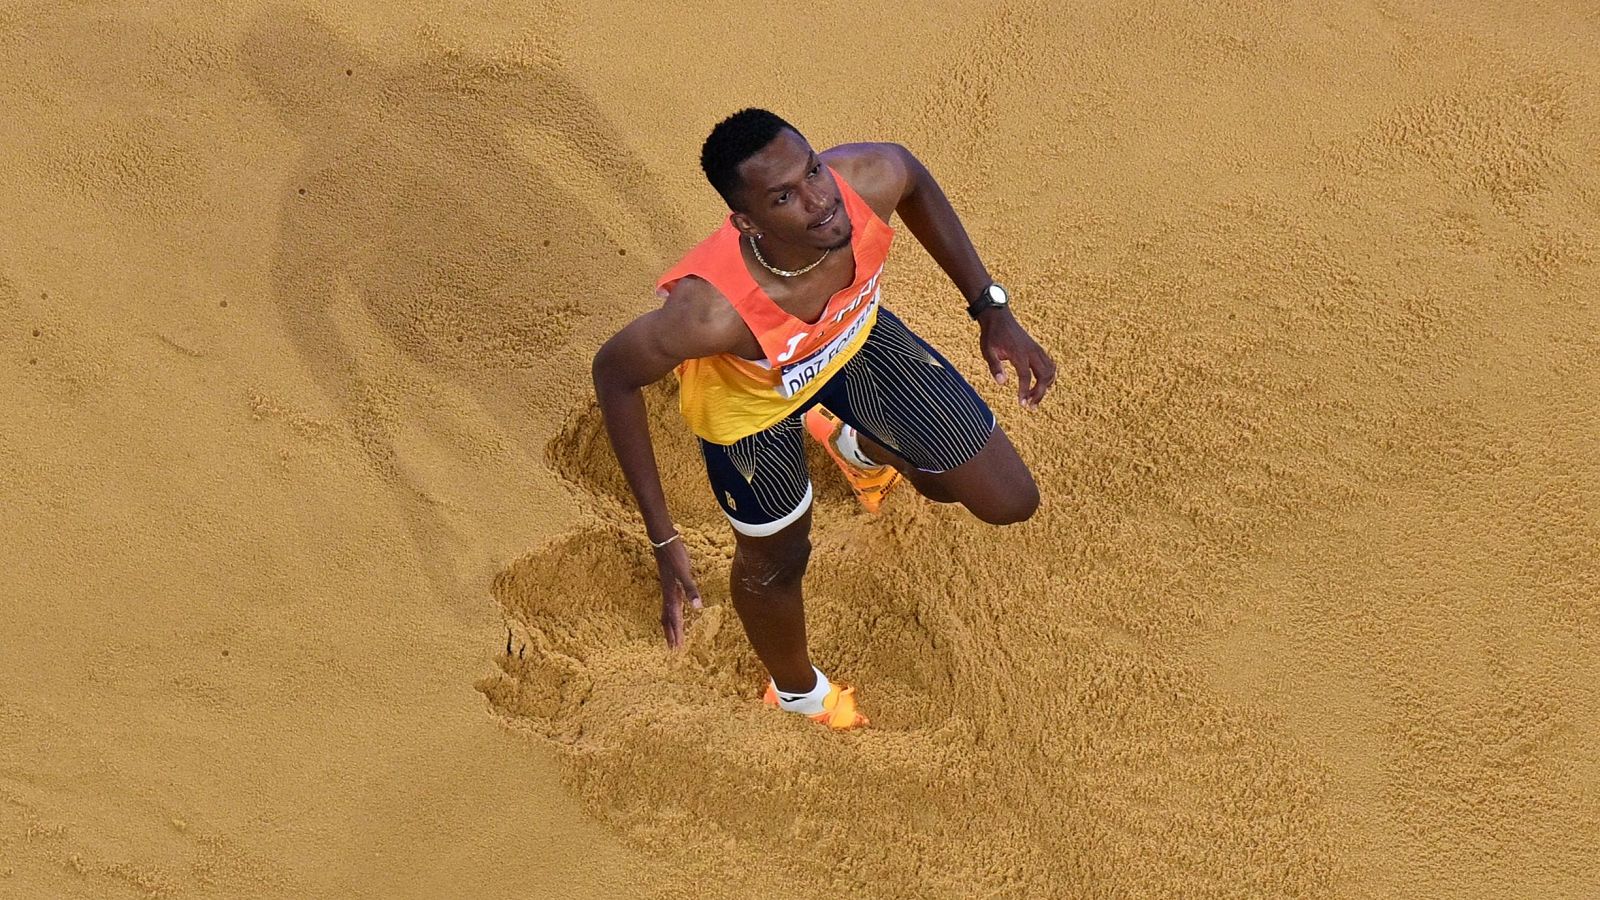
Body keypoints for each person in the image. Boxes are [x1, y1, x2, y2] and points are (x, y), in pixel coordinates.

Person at [592, 109, 1055, 729]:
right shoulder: (708, 316)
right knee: (778, 561)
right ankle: (797, 694)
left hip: (852, 340)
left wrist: (989, 307)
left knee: (1005, 499)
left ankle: (861, 447)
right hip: (751, 407)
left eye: (812, 171)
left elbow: (913, 175)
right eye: (785, 196)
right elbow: (614, 374)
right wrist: (662, 534)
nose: (820, 203)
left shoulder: (864, 181)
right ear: (747, 221)